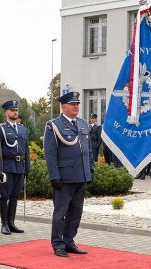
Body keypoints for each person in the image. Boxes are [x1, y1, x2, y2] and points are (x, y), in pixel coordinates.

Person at [44, 92, 94, 258]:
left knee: (76, 212)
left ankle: (69, 241)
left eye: (77, 104)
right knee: (60, 213)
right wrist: (54, 176)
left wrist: (90, 170)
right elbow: (50, 153)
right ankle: (58, 244)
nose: (76, 107)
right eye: (72, 104)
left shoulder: (82, 123)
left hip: (81, 175)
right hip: (64, 177)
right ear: (63, 107)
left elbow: (89, 150)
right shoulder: (54, 125)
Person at [0, 100, 30, 235]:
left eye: (16, 110)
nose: (15, 112)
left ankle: (11, 222)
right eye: (12, 110)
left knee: (14, 196)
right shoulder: (0, 129)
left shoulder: (23, 129)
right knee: (4, 196)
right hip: (6, 166)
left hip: (19, 166)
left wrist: (27, 168)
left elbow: (26, 150)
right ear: (6, 113)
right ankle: (4, 224)